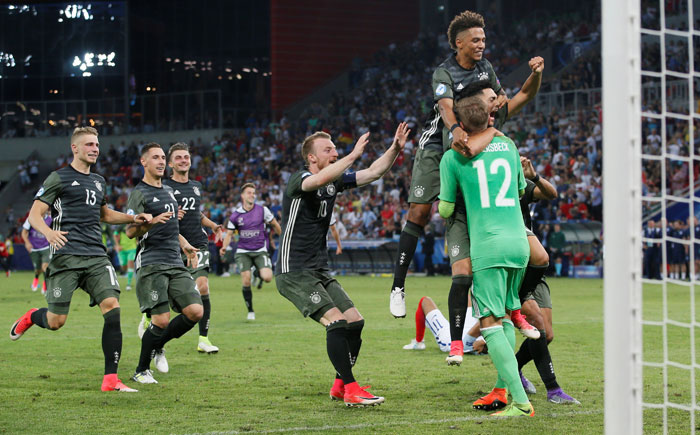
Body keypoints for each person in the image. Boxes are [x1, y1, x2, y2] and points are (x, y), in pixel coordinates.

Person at [275, 123, 409, 407]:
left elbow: (374, 172)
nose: (335, 152)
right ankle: (351, 388)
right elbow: (316, 182)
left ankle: (340, 384)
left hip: (319, 270)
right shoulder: (299, 178)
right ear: (312, 157)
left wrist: (395, 149)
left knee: (355, 322)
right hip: (294, 271)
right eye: (329, 149)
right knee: (336, 322)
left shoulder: (334, 180)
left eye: (336, 148)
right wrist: (352, 155)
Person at [9, 126, 152, 393]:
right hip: (66, 257)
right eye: (89, 144)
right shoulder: (58, 178)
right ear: (75, 148)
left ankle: (111, 379)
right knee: (56, 321)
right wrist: (49, 232)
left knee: (112, 305)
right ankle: (31, 317)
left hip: (96, 256)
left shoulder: (99, 181)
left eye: (97, 144)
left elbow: (105, 214)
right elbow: (34, 214)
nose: (95, 149)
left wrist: (133, 217)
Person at [390, 10, 503, 319]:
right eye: (476, 40)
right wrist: (455, 130)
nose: (481, 44)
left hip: (470, 146)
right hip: (436, 145)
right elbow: (445, 106)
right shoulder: (444, 72)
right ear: (459, 43)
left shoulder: (486, 69)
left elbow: (499, 97)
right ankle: (398, 286)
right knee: (420, 212)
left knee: (473, 215)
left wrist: (502, 107)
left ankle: (483, 298)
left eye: (483, 39)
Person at [439, 60, 546, 364]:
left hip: (499, 211)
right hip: (466, 209)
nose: (499, 98)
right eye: (492, 96)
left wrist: (536, 74)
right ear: (478, 107)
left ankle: (516, 304)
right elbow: (466, 148)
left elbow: (526, 93)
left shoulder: (496, 119)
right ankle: (459, 342)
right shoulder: (459, 131)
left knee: (539, 256)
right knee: (462, 275)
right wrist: (496, 133)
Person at [438, 97, 533, 417]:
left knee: (490, 322)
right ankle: (503, 390)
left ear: (460, 126)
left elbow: (446, 209)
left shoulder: (452, 157)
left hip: (488, 247)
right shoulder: (508, 145)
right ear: (488, 120)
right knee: (505, 316)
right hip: (519, 243)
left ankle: (521, 403)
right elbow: (520, 190)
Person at [126, 142, 203, 385]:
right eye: (155, 158)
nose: (160, 161)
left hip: (174, 260)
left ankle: (158, 345)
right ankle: (141, 370)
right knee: (160, 320)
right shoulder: (139, 193)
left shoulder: (169, 193)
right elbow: (130, 231)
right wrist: (150, 222)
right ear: (144, 162)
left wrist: (185, 244)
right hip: (152, 261)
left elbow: (171, 226)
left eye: (162, 157)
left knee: (195, 312)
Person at [515, 156, 580, 405]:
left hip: (533, 265)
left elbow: (551, 194)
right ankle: (553, 390)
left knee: (547, 334)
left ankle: (514, 368)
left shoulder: (521, 184)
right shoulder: (489, 183)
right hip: (515, 262)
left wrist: (534, 175)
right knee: (538, 324)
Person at [163, 143, 223, 353]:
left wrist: (213, 225)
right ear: (170, 163)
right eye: (178, 158)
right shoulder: (164, 187)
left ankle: (203, 339)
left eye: (186, 157)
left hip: (198, 243)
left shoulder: (196, 186)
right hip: (172, 244)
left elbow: (196, 214)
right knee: (168, 291)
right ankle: (150, 315)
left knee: (203, 286)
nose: (183, 160)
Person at [221, 183, 282, 320]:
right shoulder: (235, 215)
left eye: (253, 193)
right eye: (249, 193)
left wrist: (283, 239)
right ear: (242, 196)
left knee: (267, 277)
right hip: (243, 251)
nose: (252, 195)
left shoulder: (263, 210)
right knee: (246, 281)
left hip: (260, 250)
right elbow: (229, 234)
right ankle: (250, 311)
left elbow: (275, 225)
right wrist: (224, 247)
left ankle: (257, 272)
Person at [402, 296, 486, 354]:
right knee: (465, 296)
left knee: (425, 301)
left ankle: (418, 342)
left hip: (452, 340)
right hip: (476, 331)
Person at [21, 212, 52, 293]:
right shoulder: (31, 218)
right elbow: (24, 232)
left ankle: (45, 285)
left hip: (46, 247)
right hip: (34, 248)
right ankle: (36, 278)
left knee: (45, 266)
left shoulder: (50, 219)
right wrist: (27, 243)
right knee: (38, 269)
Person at [113, 224, 137, 290]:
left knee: (130, 263)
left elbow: (139, 235)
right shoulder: (121, 226)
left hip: (132, 248)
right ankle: (127, 274)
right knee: (123, 266)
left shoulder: (136, 226)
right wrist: (117, 245)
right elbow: (115, 234)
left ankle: (128, 284)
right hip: (122, 249)